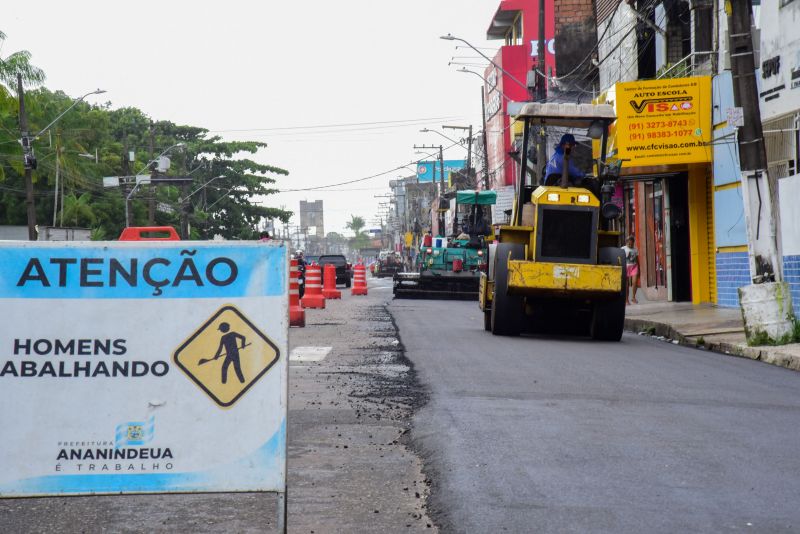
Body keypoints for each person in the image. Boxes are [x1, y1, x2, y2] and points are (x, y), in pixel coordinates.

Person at [622, 235, 639, 304]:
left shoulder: (635, 249)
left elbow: (637, 259)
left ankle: (633, 297)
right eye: (629, 243)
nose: (630, 244)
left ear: (633, 242)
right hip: (626, 267)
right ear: (626, 242)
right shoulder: (623, 248)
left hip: (634, 267)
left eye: (631, 243)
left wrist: (639, 268)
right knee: (626, 284)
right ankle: (626, 300)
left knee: (635, 282)